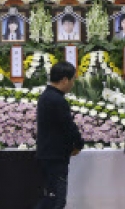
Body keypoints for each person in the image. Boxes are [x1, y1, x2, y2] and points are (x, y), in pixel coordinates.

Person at [35, 61, 83, 209]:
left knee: (49, 197)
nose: (73, 83)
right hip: (55, 157)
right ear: (64, 80)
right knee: (56, 200)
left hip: (46, 154)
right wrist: (79, 144)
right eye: (73, 79)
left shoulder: (46, 96)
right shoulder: (57, 100)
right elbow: (68, 126)